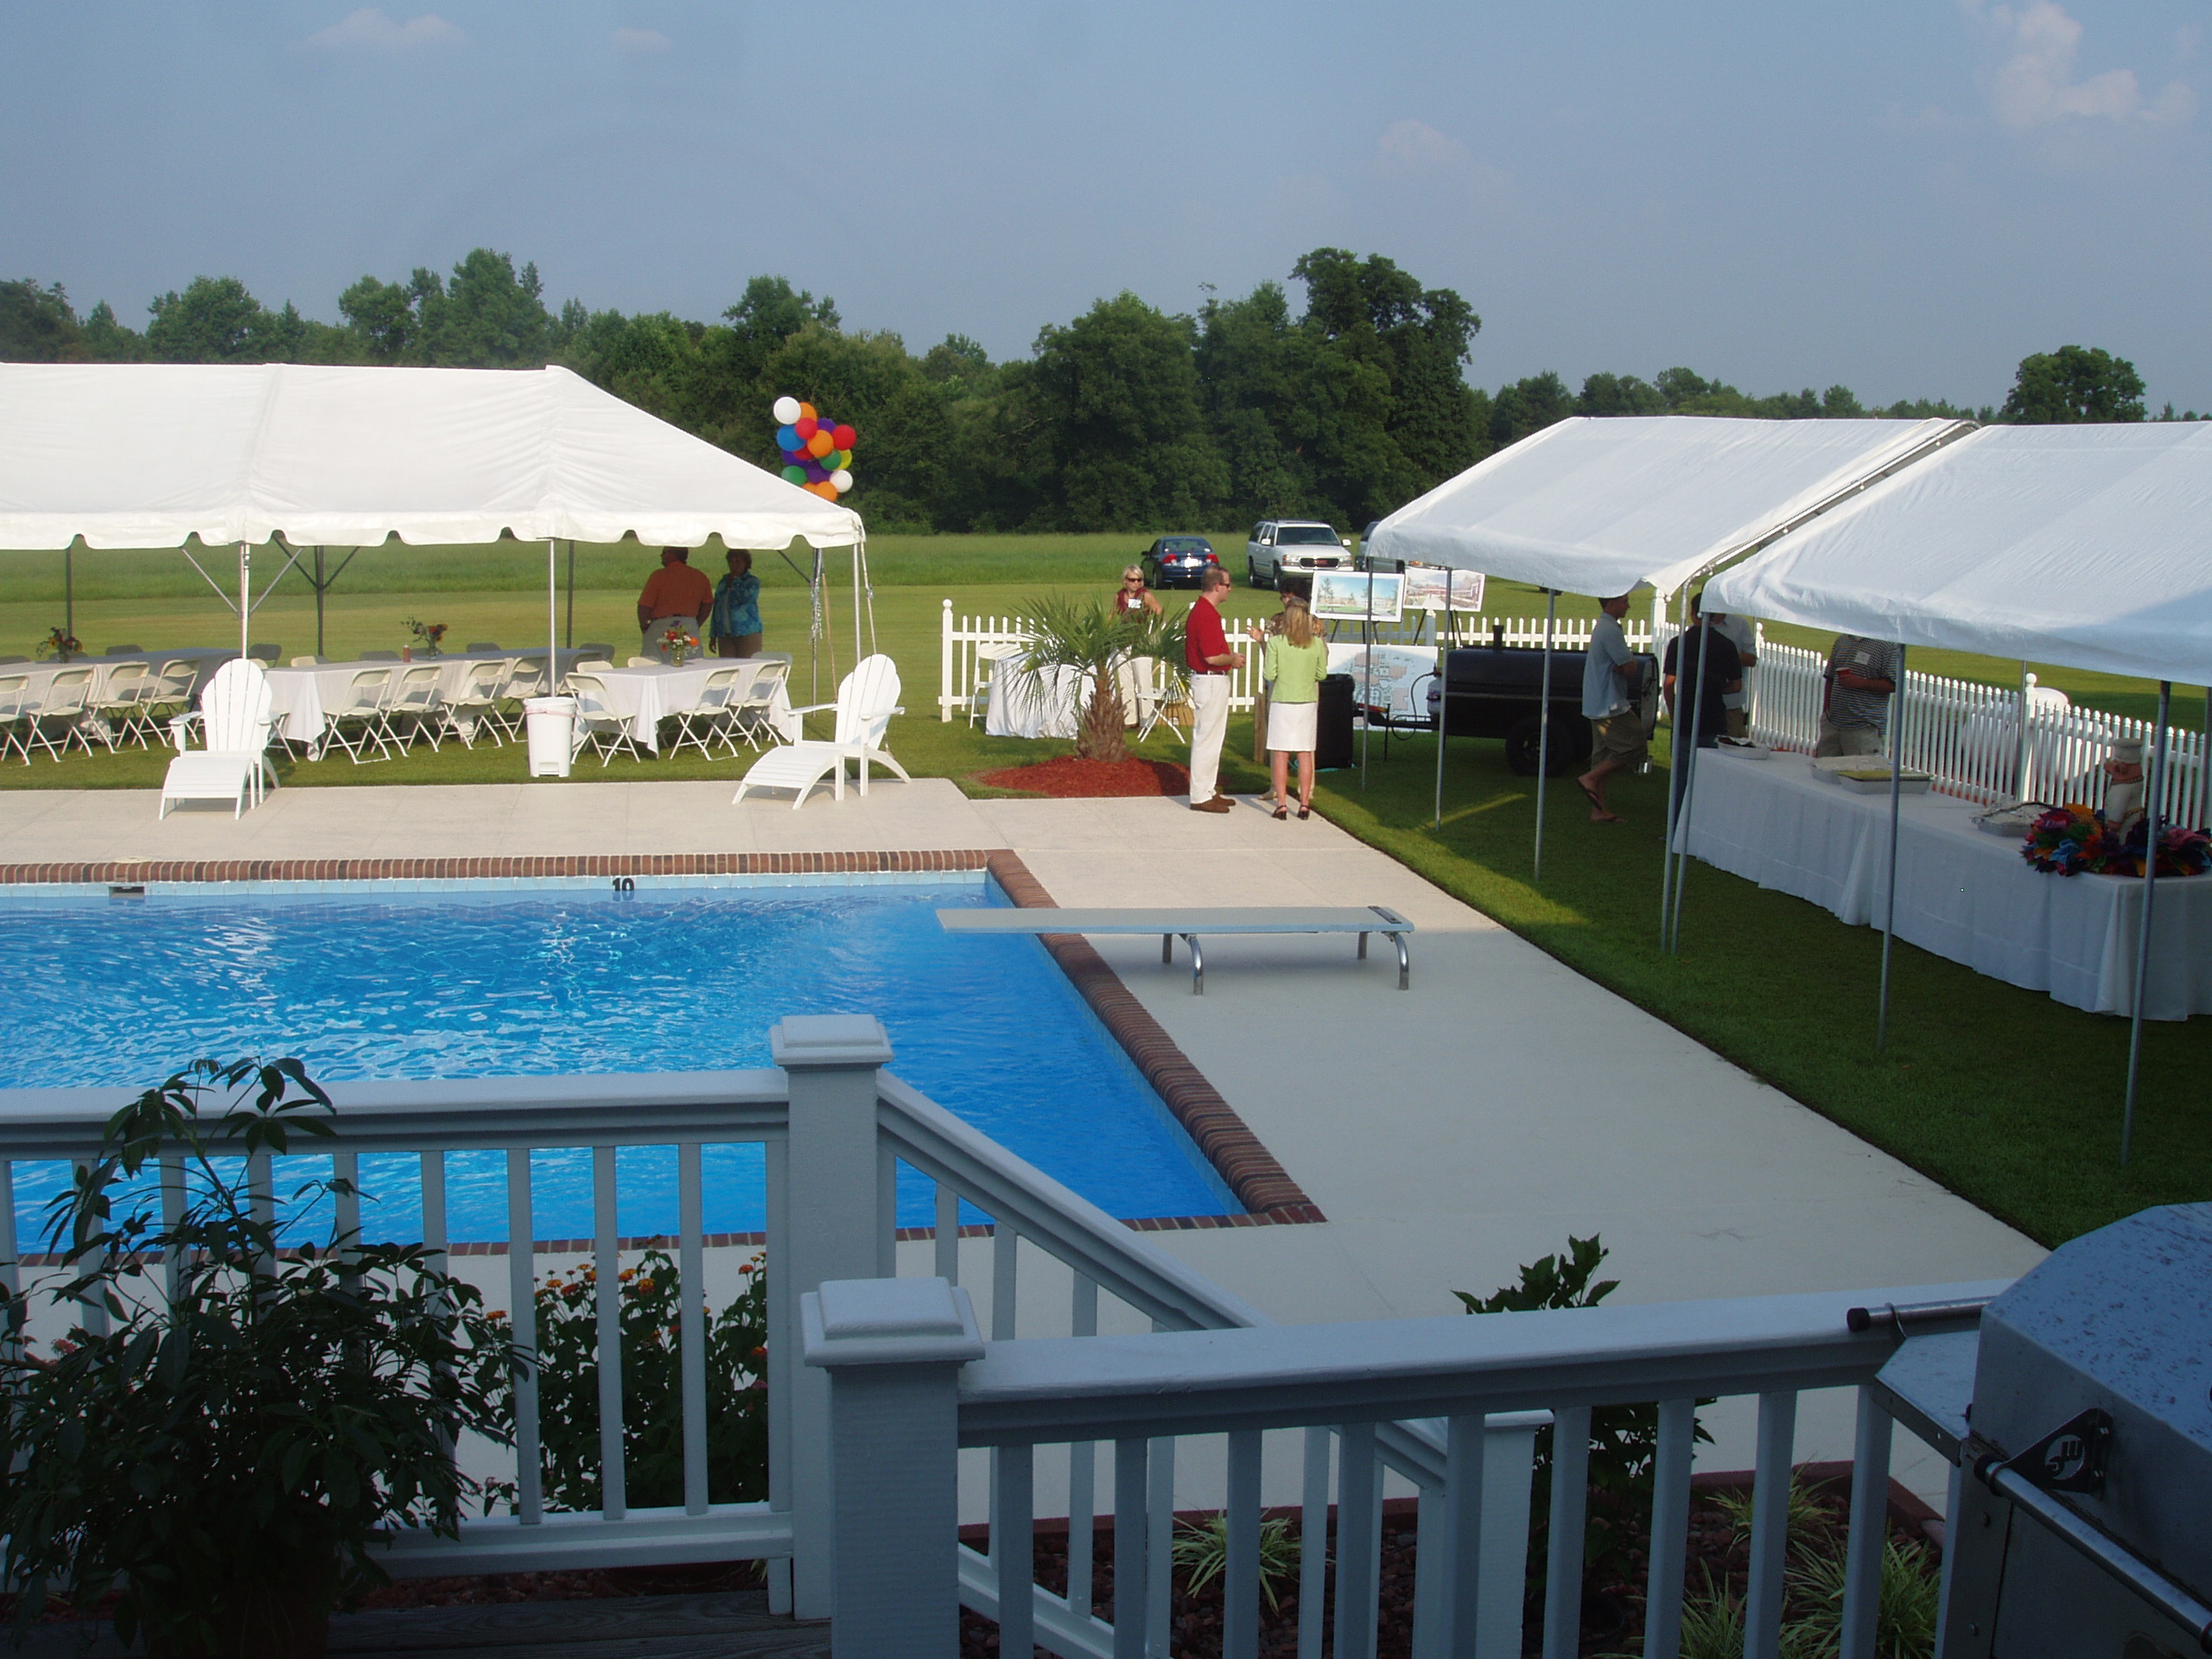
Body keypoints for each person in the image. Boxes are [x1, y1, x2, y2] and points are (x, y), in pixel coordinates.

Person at [1575, 593, 1645, 823]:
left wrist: (1626, 664)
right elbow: (1630, 668)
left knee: (1603, 754)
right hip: (1610, 704)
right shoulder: (1610, 630)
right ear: (1612, 603)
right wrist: (1630, 662)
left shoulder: (1603, 627)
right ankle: (1589, 778)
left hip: (1597, 702)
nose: (1628, 606)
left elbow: (1624, 665)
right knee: (1635, 744)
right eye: (1625, 601)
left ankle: (1599, 810)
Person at [1260, 594, 1330, 820]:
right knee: (1305, 752)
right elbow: (1322, 674)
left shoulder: (1276, 643)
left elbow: (1269, 674)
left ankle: (1281, 804)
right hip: (1307, 701)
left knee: (1280, 753)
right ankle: (1305, 803)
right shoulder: (1316, 644)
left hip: (1282, 701)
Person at [1184, 566, 1244, 812]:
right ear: (1217, 586)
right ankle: (1200, 795)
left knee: (1213, 738)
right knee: (1206, 738)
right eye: (1227, 585)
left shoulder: (1205, 612)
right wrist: (1232, 659)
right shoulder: (1205, 614)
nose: (1230, 589)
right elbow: (1211, 657)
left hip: (1211, 680)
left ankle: (1208, 789)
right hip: (1209, 679)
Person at [1662, 593, 1742, 752]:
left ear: (1692, 612)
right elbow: (1736, 685)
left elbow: (1669, 685)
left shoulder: (1679, 643)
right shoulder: (1727, 645)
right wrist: (1717, 688)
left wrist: (1673, 715)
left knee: (1682, 764)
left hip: (1685, 715)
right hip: (1714, 717)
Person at [1818, 634, 1900, 756]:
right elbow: (1830, 678)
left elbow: (1893, 684)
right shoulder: (1842, 640)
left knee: (1859, 767)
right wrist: (1826, 713)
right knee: (1824, 766)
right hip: (1833, 724)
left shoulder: (1887, 646)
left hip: (1863, 727)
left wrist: (1860, 682)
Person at [637, 547, 713, 658]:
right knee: (691, 662)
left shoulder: (659, 576)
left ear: (674, 554)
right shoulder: (699, 576)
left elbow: (644, 606)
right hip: (689, 625)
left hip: (661, 626)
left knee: (655, 662)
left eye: (664, 552)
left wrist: (644, 626)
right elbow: (707, 604)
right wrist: (696, 623)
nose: (661, 555)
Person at [1703, 605, 1758, 738]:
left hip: (1731, 706)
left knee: (1733, 744)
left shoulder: (1740, 625)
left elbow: (1752, 659)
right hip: (1702, 704)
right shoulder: (1701, 625)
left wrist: (1727, 656)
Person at [710, 550, 764, 658]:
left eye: (738, 562)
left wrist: (736, 581)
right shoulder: (723, 582)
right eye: (731, 562)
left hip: (747, 632)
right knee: (727, 665)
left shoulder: (752, 581)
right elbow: (717, 607)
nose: (734, 565)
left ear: (746, 563)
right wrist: (713, 634)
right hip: (725, 634)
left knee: (748, 664)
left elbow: (747, 598)